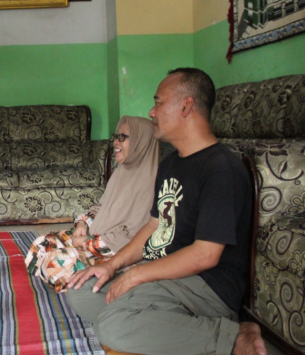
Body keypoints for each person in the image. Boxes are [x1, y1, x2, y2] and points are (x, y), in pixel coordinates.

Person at [65, 68, 266, 355]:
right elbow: (152, 227)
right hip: (166, 276)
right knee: (81, 292)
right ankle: (166, 320)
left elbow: (206, 255)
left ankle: (232, 335)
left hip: (205, 286)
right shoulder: (171, 163)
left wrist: (136, 275)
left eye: (158, 102)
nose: (151, 111)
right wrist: (112, 266)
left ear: (186, 105)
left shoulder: (221, 169)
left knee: (112, 325)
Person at [25, 116, 159, 292]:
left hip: (115, 252)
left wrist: (87, 243)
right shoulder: (122, 172)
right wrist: (83, 222)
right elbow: (102, 207)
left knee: (54, 263)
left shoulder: (153, 183)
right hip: (96, 236)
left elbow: (134, 237)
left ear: (142, 142)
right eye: (115, 136)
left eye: (123, 137)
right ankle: (75, 278)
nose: (115, 143)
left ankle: (104, 282)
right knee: (41, 243)